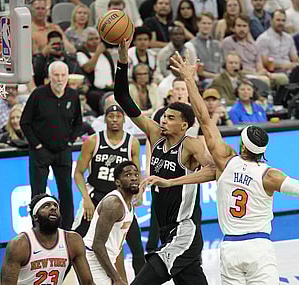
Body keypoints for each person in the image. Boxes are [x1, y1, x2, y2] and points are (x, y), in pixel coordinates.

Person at [157, 51, 299, 284]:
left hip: (230, 247)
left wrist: (189, 79)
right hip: (258, 247)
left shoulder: (225, 161)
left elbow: (204, 118)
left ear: (242, 145)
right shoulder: (270, 176)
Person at [113, 38, 216, 285]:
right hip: (166, 231)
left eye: (170, 117)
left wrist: (172, 182)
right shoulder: (154, 134)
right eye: (164, 116)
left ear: (184, 124)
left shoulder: (190, 145)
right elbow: (122, 96)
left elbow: (213, 170)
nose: (163, 120)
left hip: (185, 231)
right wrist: (123, 59)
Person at [73, 104, 145, 275]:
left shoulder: (132, 142)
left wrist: (140, 192)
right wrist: (86, 199)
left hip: (120, 199)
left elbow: (138, 172)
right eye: (110, 116)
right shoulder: (93, 141)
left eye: (118, 116)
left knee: (137, 247)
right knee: (75, 241)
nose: (114, 120)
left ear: (124, 119)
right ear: (104, 119)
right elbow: (78, 173)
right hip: (96, 197)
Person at [20, 61, 83, 230]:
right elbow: (25, 122)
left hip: (63, 151)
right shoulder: (38, 95)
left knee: (66, 193)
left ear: (68, 76)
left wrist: (70, 141)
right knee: (38, 194)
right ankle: (37, 230)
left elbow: (79, 123)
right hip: (41, 152)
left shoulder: (73, 96)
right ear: (49, 77)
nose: (60, 79)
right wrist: (37, 146)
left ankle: (67, 230)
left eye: (63, 75)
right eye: (56, 75)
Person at [0, 193, 94, 285]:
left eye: (55, 206)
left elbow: (88, 282)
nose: (53, 208)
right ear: (35, 217)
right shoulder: (19, 244)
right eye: (46, 206)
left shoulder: (72, 240)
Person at [83, 161, 140, 285]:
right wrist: (117, 279)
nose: (134, 178)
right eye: (128, 175)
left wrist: (121, 279)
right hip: (94, 261)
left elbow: (116, 247)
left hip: (106, 260)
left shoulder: (129, 204)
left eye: (136, 174)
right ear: (117, 182)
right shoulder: (114, 204)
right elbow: (97, 245)